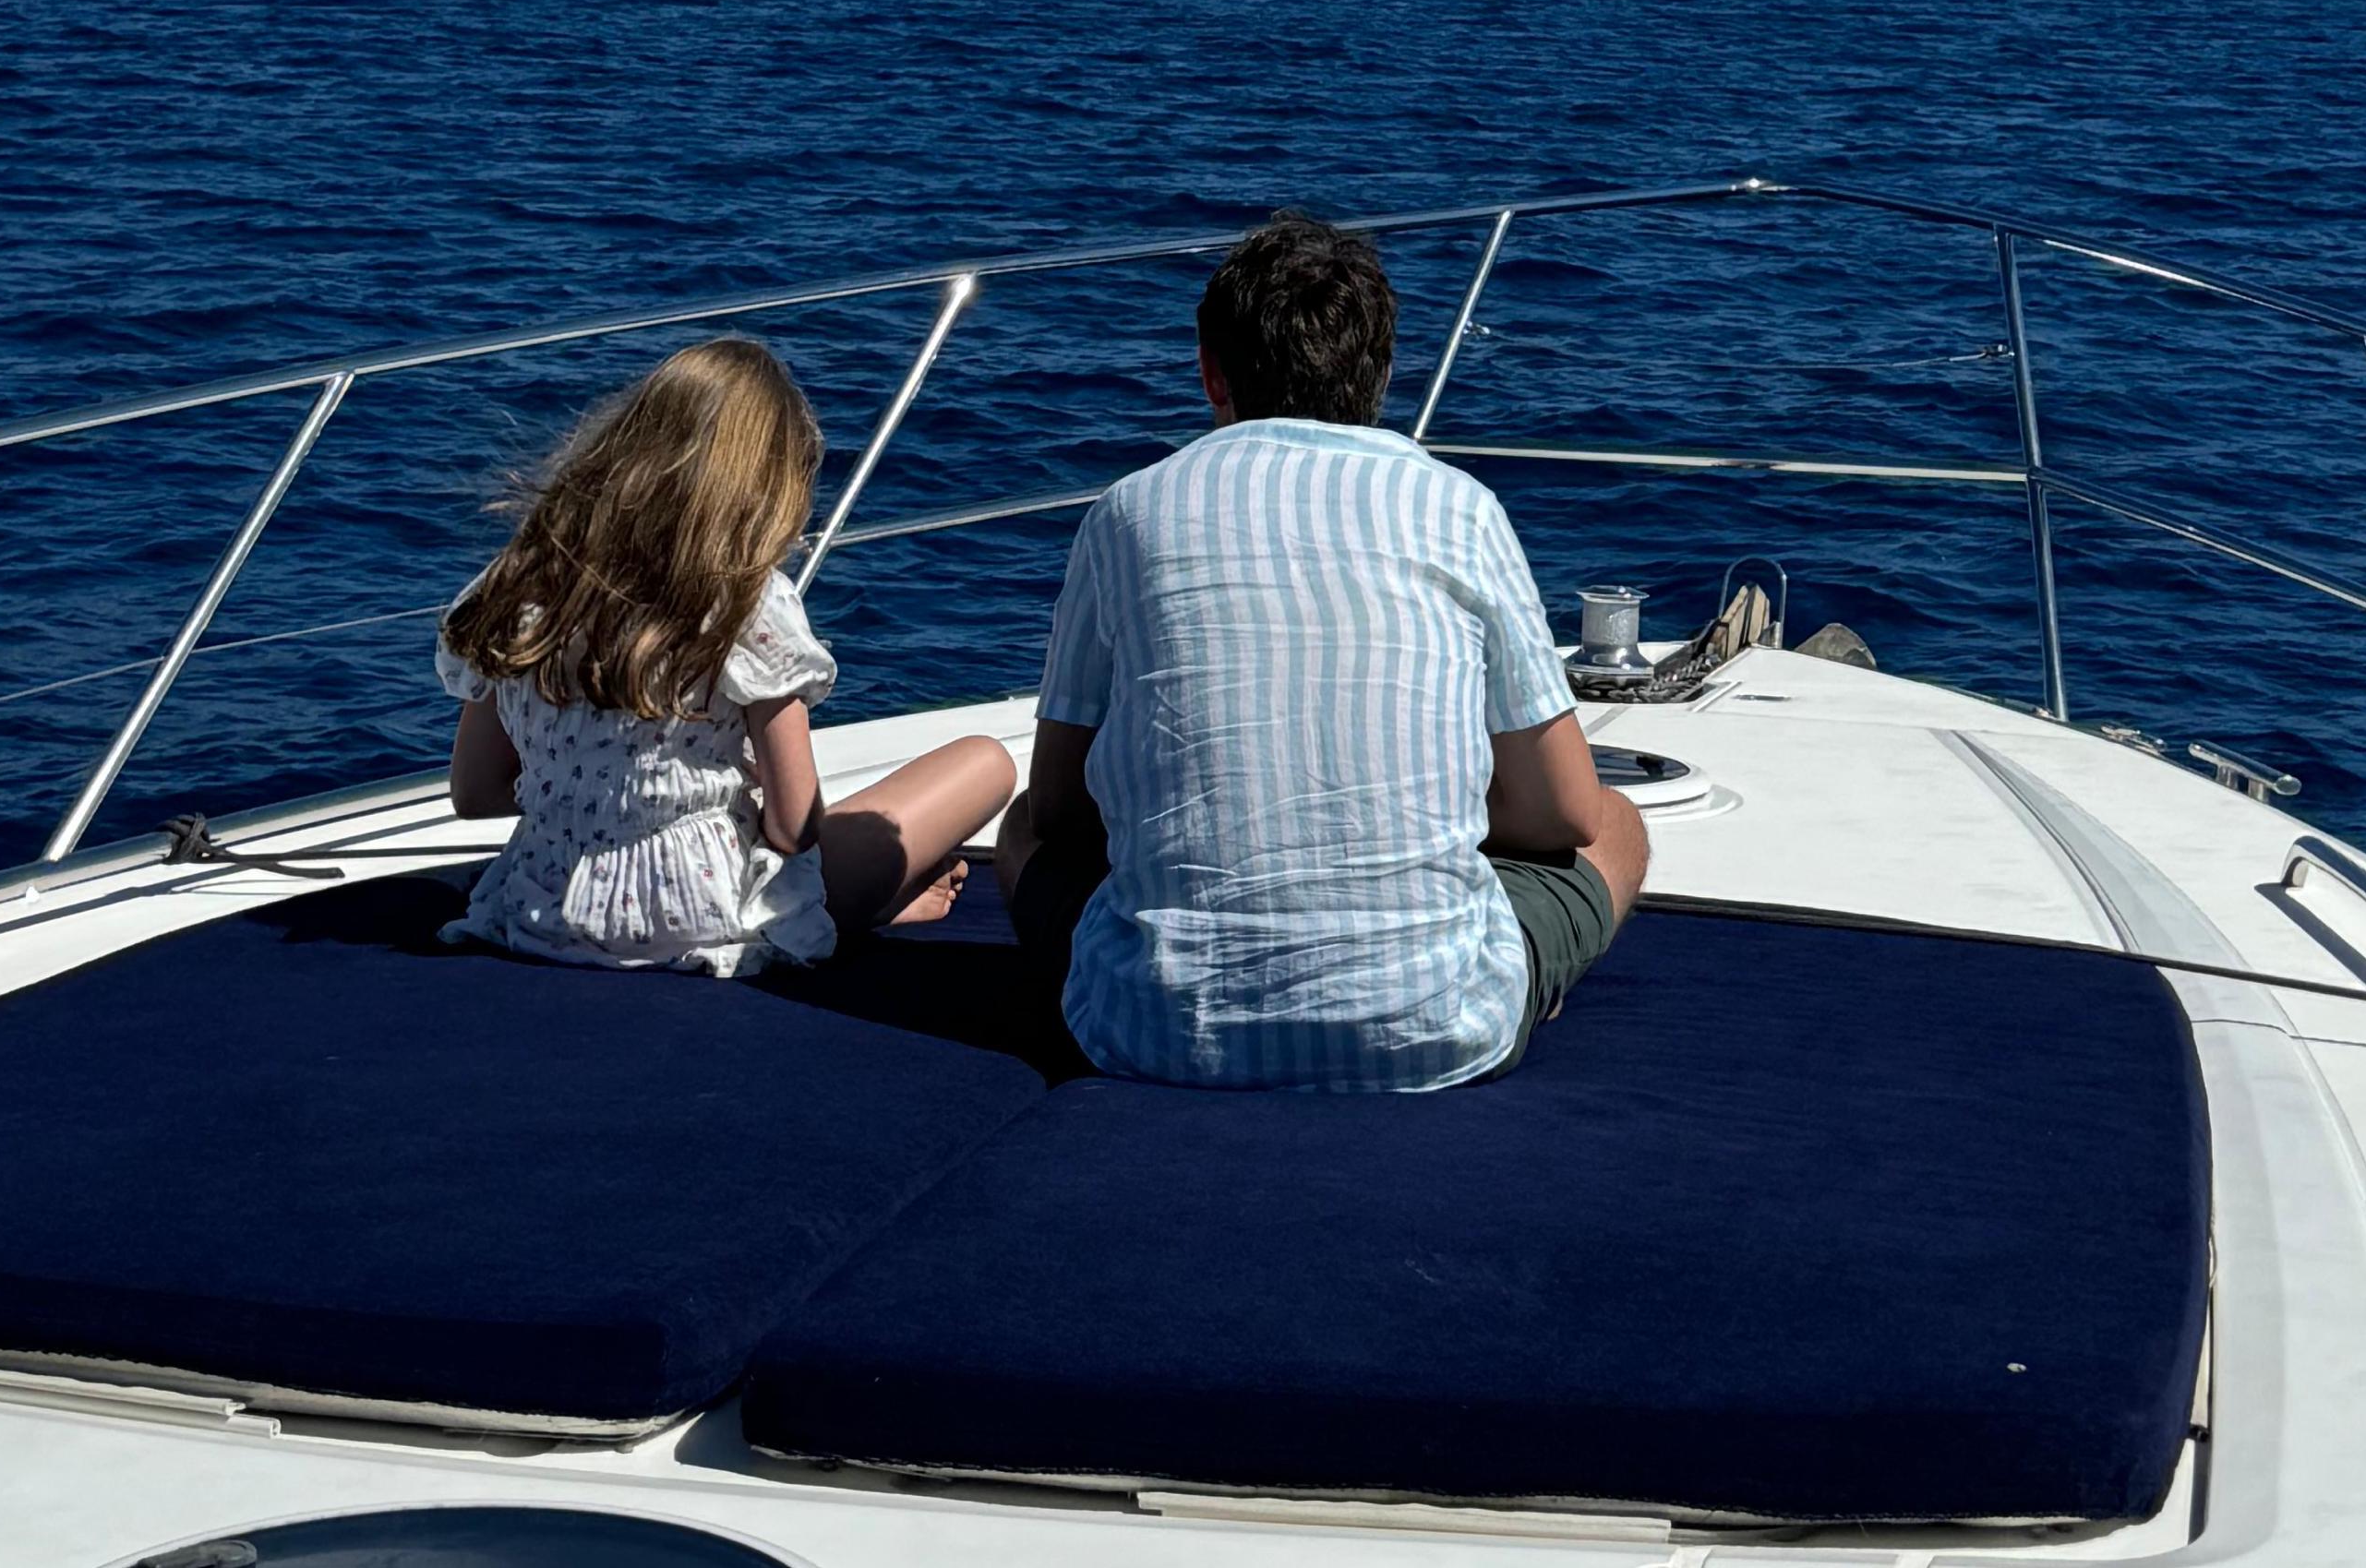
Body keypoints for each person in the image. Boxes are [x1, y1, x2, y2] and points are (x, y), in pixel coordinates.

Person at [995, 212, 1649, 1089]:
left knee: (1017, 829)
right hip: (1443, 1023)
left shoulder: (1126, 512)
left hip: (1151, 1030)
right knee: (1618, 824)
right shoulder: (1458, 507)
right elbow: (1565, 814)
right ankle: (1519, 975)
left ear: (1211, 373)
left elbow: (1064, 810)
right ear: (1378, 375)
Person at [437, 334, 1015, 976]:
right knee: (985, 762)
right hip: (703, 914)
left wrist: (599, 797)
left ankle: (875, 900)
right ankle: (864, 904)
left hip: (542, 909)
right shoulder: (747, 601)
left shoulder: (521, 582)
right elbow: (794, 830)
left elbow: (475, 791)